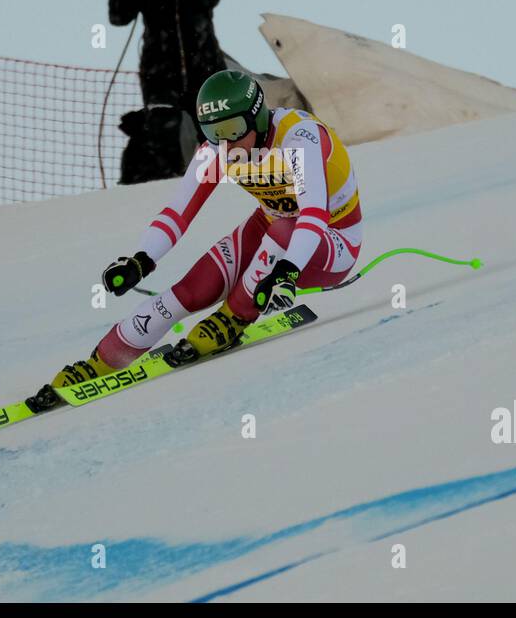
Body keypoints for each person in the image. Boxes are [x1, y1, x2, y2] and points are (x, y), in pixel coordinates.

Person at [29, 69, 362, 412]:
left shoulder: (299, 137)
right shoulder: (217, 150)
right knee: (191, 290)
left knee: (284, 229)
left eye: (232, 131)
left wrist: (287, 272)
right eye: (213, 133)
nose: (226, 145)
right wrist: (141, 259)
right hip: (273, 227)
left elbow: (312, 215)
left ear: (257, 117)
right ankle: (101, 361)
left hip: (332, 241)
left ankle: (234, 316)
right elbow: (178, 212)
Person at [110, 0, 228, 182]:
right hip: (160, 70)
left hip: (205, 67)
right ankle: (165, 187)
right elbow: (118, 15)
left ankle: (227, 183)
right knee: (163, 127)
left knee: (216, 126)